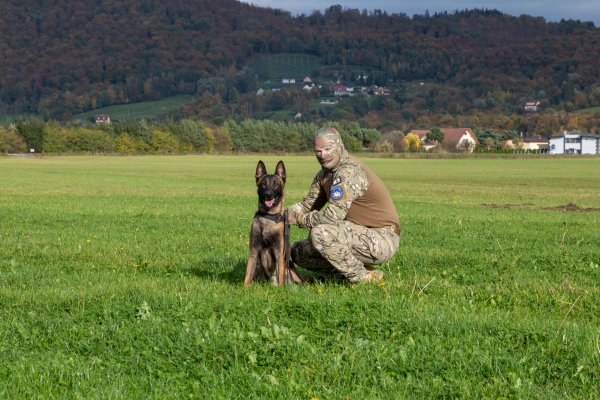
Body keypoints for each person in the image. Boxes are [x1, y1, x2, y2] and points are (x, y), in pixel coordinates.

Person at [287, 127, 400, 283]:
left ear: (340, 146)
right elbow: (307, 205)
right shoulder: (324, 175)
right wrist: (279, 215)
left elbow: (331, 217)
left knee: (321, 234)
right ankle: (349, 273)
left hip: (382, 237)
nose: (323, 155)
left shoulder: (349, 171)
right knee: (299, 252)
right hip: (355, 233)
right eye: (318, 151)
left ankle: (364, 278)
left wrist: (298, 219)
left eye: (328, 149)